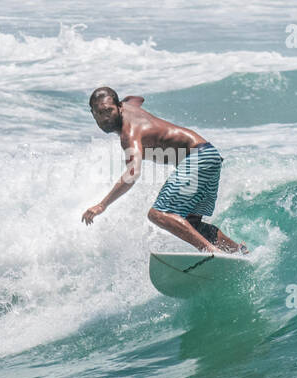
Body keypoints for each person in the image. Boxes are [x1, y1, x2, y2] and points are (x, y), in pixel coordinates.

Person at [81, 86, 247, 254]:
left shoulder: (128, 135)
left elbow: (133, 174)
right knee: (192, 223)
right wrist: (127, 102)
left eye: (109, 110)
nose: (105, 117)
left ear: (118, 107)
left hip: (198, 157)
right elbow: (137, 99)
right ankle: (238, 251)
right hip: (210, 157)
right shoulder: (127, 105)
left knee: (159, 214)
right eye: (99, 113)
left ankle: (211, 252)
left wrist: (102, 205)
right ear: (93, 113)